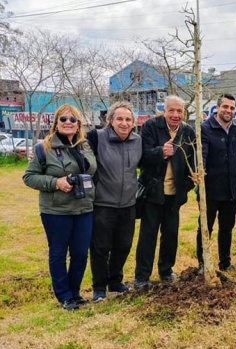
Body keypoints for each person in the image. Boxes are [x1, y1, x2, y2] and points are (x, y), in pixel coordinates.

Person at [23, 104, 97, 310]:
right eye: (63, 119)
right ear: (55, 123)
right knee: (58, 252)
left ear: (78, 124)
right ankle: (64, 296)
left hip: (84, 207)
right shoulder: (43, 148)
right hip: (56, 210)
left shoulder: (86, 146)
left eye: (72, 120)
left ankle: (75, 292)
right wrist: (56, 183)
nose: (68, 123)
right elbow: (29, 177)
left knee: (81, 253)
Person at [134, 95, 196, 289]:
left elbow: (191, 162)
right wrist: (160, 152)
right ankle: (142, 277)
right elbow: (142, 156)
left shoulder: (188, 132)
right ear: (164, 111)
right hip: (153, 192)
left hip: (174, 194)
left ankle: (166, 271)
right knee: (148, 235)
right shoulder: (151, 127)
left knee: (170, 235)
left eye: (179, 111)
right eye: (172, 110)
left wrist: (190, 183)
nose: (175, 115)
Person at [88, 101, 142, 302]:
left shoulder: (138, 141)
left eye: (128, 119)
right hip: (103, 203)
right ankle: (99, 287)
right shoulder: (97, 138)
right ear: (110, 121)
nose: (124, 123)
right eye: (119, 119)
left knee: (124, 245)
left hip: (128, 204)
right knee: (100, 247)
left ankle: (115, 281)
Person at [196, 93, 236, 272]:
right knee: (205, 228)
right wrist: (201, 175)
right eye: (225, 107)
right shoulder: (205, 128)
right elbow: (202, 156)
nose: (228, 111)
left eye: (232, 108)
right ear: (217, 108)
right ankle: (203, 263)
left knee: (227, 229)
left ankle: (225, 262)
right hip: (210, 190)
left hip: (232, 190)